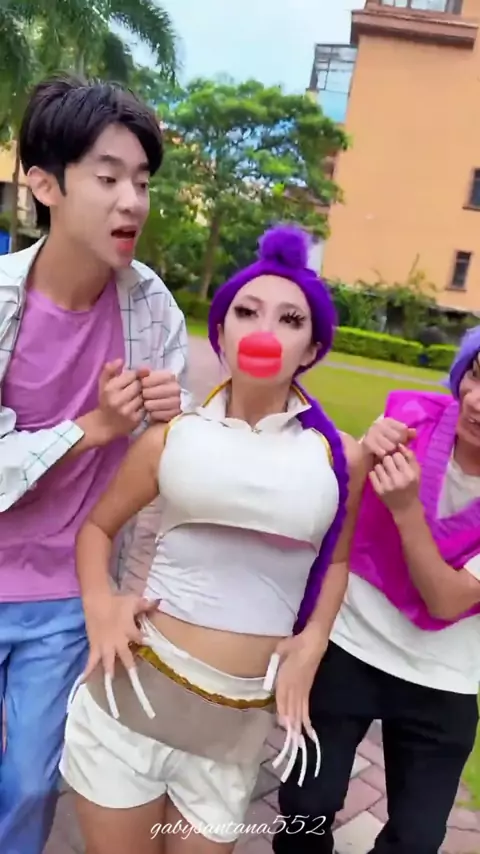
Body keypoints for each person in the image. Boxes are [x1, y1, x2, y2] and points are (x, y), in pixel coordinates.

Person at [59, 224, 368, 854]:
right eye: (247, 312)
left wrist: (314, 641)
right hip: (131, 702)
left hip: (233, 733)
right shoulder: (170, 438)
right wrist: (102, 606)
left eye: (290, 319)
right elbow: (96, 528)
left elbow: (337, 560)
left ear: (311, 348)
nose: (264, 330)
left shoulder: (339, 458)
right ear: (221, 332)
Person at [0, 75, 190, 854]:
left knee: (31, 782)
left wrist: (170, 426)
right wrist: (93, 427)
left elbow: (163, 476)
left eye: (141, 182)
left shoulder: (151, 310)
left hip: (62, 595)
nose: (131, 202)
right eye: (108, 178)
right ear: (45, 184)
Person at [273, 327, 480, 854]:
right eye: (477, 376)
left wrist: (406, 509)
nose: (477, 402)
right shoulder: (411, 423)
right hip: (353, 641)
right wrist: (363, 454)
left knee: (416, 840)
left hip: (443, 675)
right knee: (305, 811)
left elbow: (448, 600)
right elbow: (339, 513)